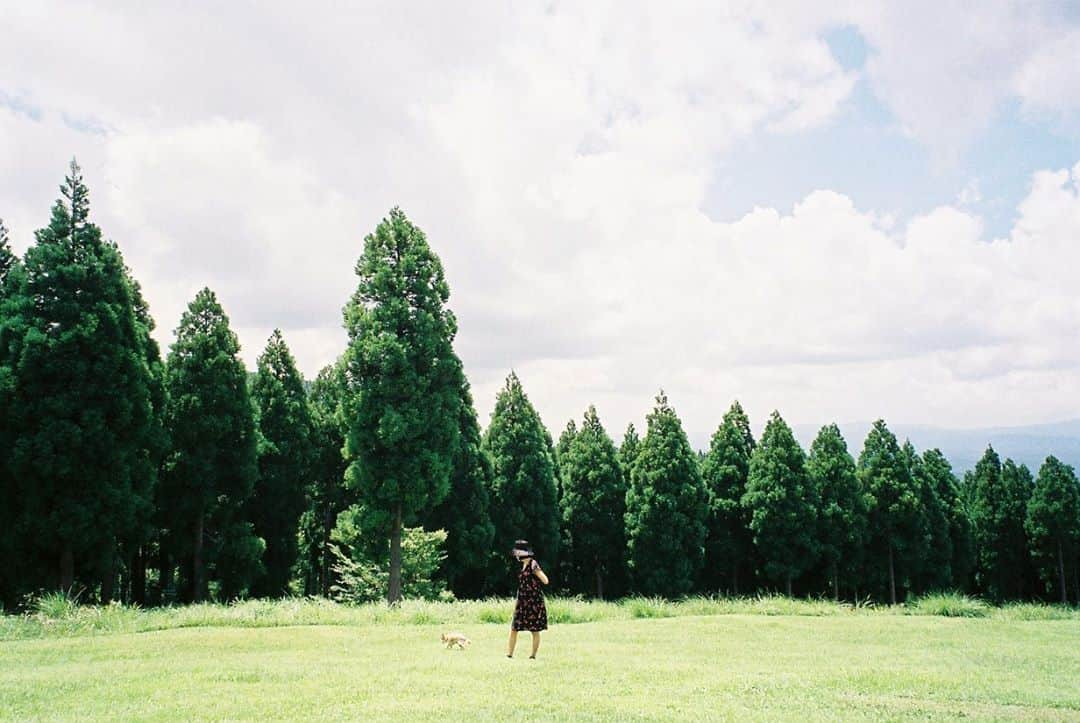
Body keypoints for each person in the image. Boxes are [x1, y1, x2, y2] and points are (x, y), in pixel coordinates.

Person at [506, 539, 548, 659]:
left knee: (534, 629)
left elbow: (545, 580)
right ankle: (509, 654)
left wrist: (536, 574)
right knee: (514, 628)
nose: (516, 556)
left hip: (533, 601)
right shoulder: (523, 565)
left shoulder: (533, 564)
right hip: (522, 601)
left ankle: (533, 655)